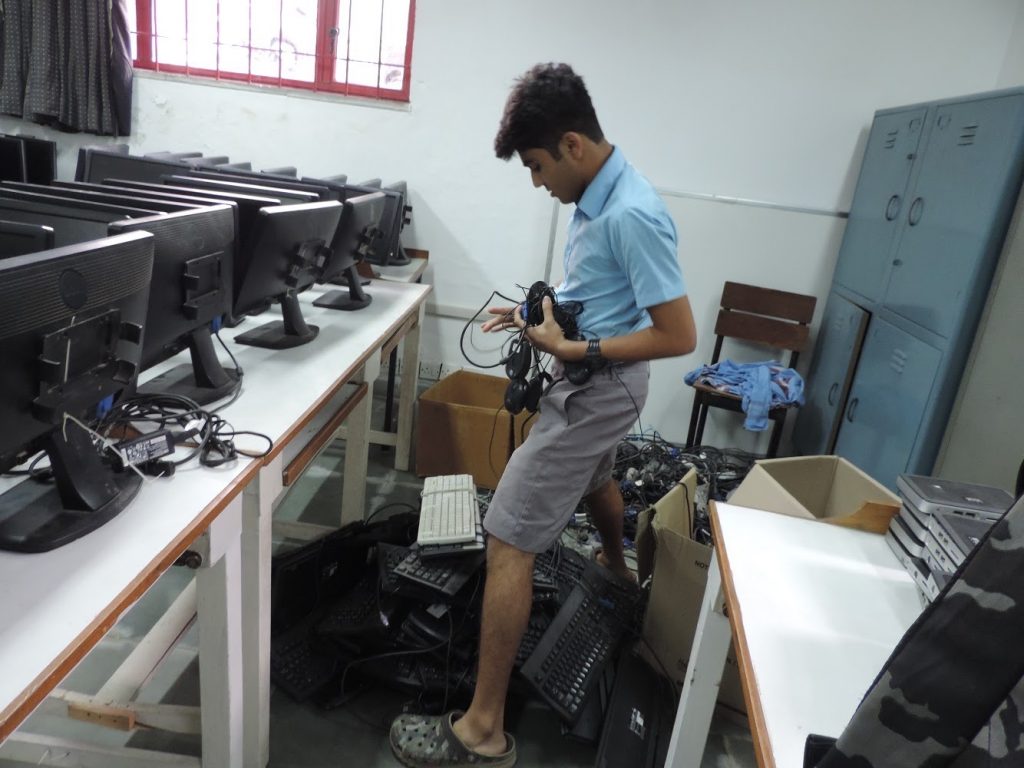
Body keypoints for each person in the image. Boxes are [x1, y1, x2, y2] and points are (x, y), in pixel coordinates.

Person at [390, 62, 696, 768]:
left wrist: (575, 345)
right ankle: (619, 571)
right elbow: (599, 285)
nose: (536, 182)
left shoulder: (634, 214)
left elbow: (678, 334)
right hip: (598, 378)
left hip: (599, 385)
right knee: (596, 479)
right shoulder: (596, 199)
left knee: (507, 538)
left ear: (573, 146)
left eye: (536, 166)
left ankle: (483, 731)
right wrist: (541, 308)